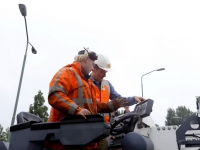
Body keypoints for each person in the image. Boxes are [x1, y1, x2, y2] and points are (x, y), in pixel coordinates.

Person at [45, 48, 128, 150]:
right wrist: (77, 110)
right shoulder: (68, 72)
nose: (92, 68)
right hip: (66, 140)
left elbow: (95, 106)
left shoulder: (88, 83)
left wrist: (115, 104)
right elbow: (55, 94)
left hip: (85, 140)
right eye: (92, 64)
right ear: (86, 60)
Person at [90, 54, 145, 150]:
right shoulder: (85, 84)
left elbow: (119, 99)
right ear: (94, 68)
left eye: (106, 72)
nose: (105, 75)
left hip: (103, 128)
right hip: (89, 127)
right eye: (103, 72)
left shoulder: (107, 84)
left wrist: (133, 98)